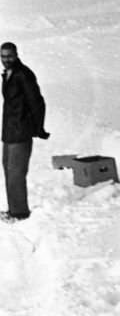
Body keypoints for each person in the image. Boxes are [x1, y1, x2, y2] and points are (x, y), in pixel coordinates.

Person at [2, 42, 49, 221]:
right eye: (3, 56)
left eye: (10, 56)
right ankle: (13, 209)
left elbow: (37, 103)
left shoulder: (23, 74)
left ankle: (20, 213)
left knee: (15, 173)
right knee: (8, 169)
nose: (6, 59)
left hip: (20, 132)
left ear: (16, 54)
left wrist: (39, 128)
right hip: (9, 132)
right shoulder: (9, 74)